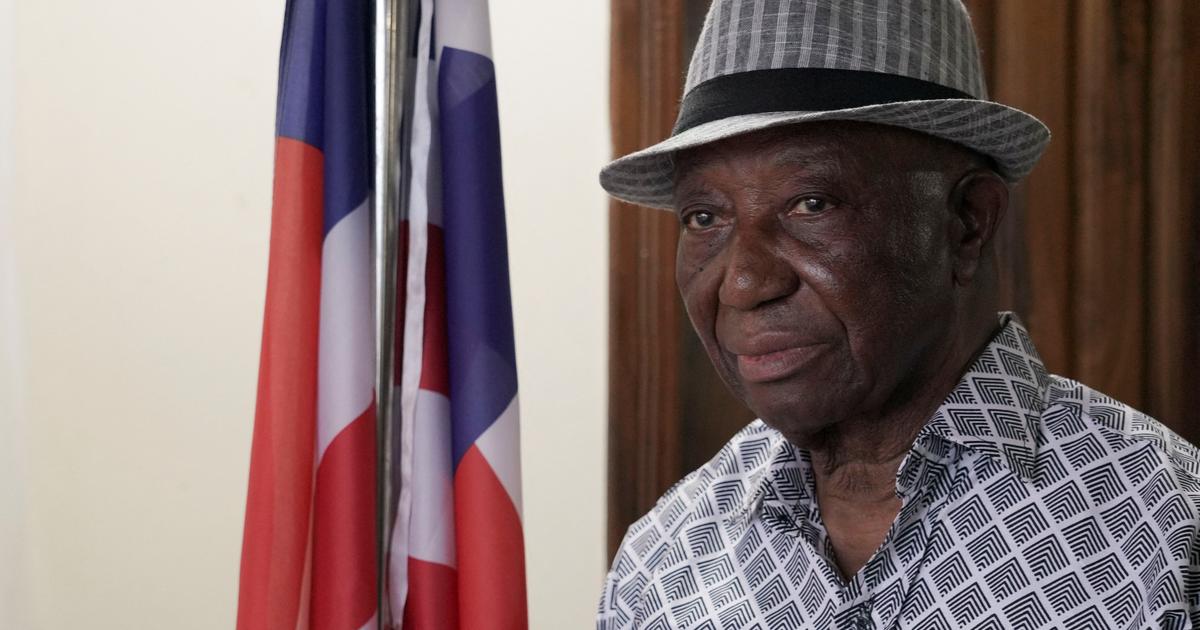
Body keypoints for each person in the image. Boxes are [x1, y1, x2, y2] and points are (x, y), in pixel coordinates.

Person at [596, 1, 1200, 628]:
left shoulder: (1163, 533)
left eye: (810, 204)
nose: (745, 283)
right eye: (704, 217)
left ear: (967, 222)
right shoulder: (664, 563)